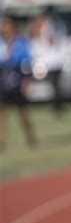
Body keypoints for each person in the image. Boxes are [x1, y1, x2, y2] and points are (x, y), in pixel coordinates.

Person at [0, 16, 37, 150]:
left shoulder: (20, 42)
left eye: (6, 25)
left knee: (21, 111)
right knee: (2, 111)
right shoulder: (1, 43)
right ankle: (1, 140)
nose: (3, 28)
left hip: (16, 78)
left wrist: (26, 79)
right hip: (3, 79)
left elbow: (26, 60)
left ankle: (30, 136)